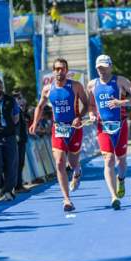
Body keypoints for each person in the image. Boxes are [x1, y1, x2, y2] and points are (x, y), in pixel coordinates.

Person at [29, 58, 88, 212]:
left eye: (62, 69)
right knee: (60, 162)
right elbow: (40, 106)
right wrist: (35, 122)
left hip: (75, 128)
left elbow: (87, 104)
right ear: (53, 71)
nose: (59, 72)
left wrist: (79, 116)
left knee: (73, 162)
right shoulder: (48, 89)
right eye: (56, 69)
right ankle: (67, 199)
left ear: (67, 71)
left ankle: (77, 170)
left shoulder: (75, 86)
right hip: (58, 129)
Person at [87, 55, 131, 210]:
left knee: (121, 161)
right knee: (109, 159)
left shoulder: (121, 81)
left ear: (110, 67)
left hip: (121, 125)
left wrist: (121, 102)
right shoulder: (92, 84)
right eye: (99, 68)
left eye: (104, 67)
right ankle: (113, 196)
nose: (102, 71)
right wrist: (91, 114)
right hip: (102, 127)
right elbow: (91, 104)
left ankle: (121, 179)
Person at [12, 90, 31, 193]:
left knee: (21, 163)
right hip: (16, 140)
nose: (21, 100)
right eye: (18, 98)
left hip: (22, 139)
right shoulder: (13, 110)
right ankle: (15, 186)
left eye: (21, 97)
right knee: (16, 163)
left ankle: (19, 184)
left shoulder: (22, 111)